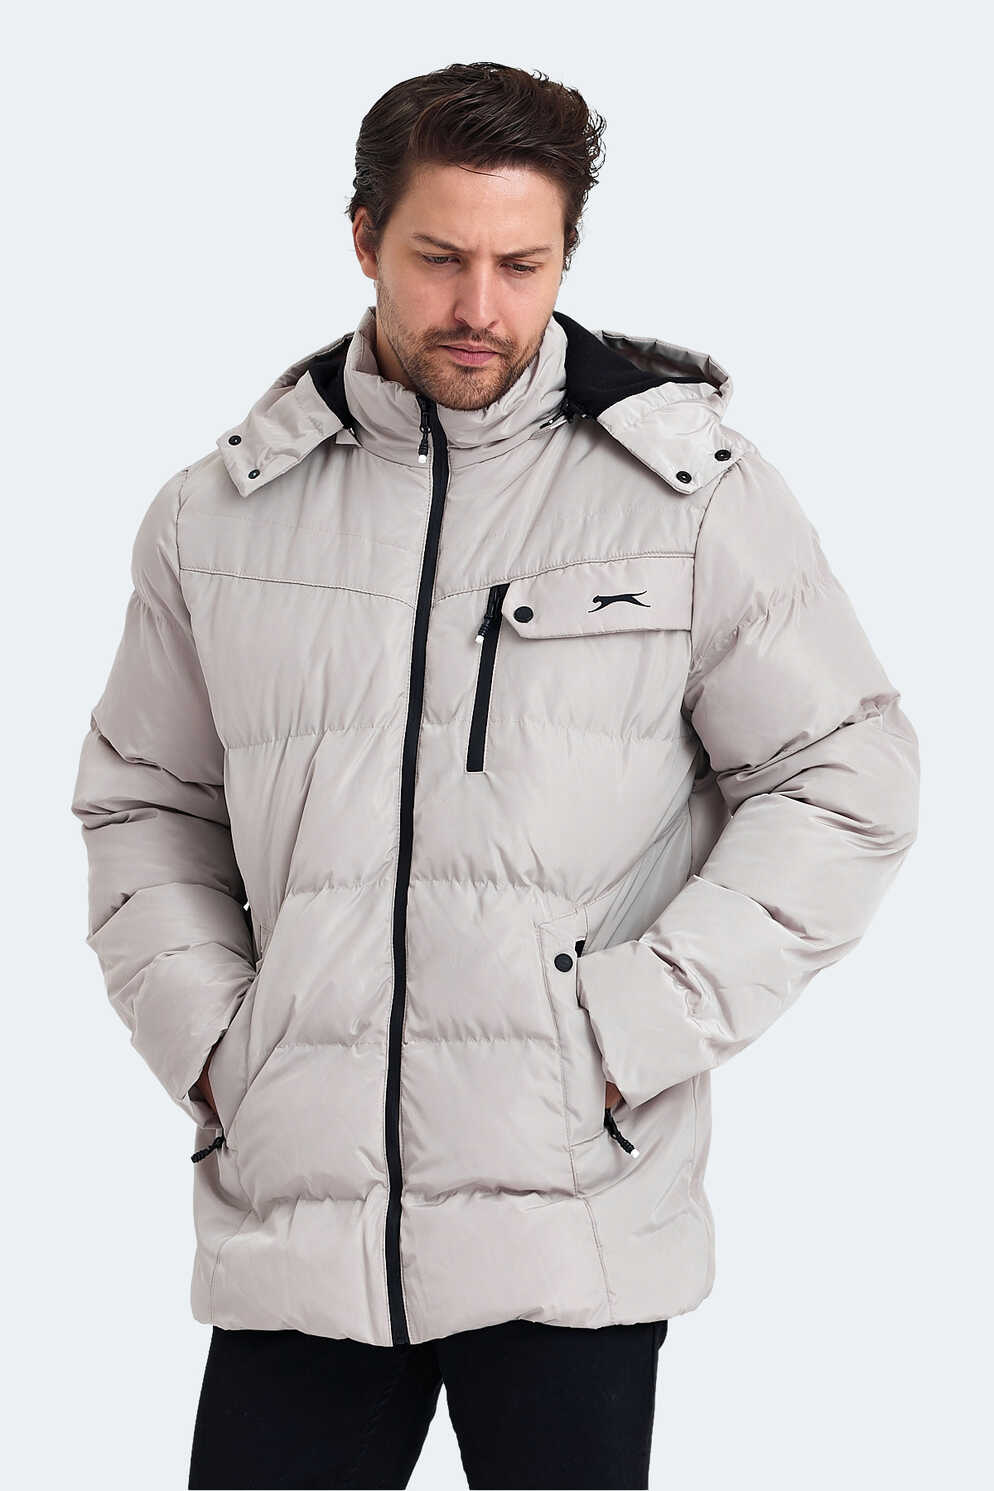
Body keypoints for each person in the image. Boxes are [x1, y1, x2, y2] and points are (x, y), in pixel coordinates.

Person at [70, 60, 920, 1491]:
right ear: (363, 238)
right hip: (301, 1215)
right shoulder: (219, 514)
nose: (480, 306)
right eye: (439, 258)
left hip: (571, 1216)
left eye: (522, 265)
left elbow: (845, 776)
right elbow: (146, 800)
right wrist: (220, 1046)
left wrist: (626, 1033)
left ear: (566, 255)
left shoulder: (687, 496)